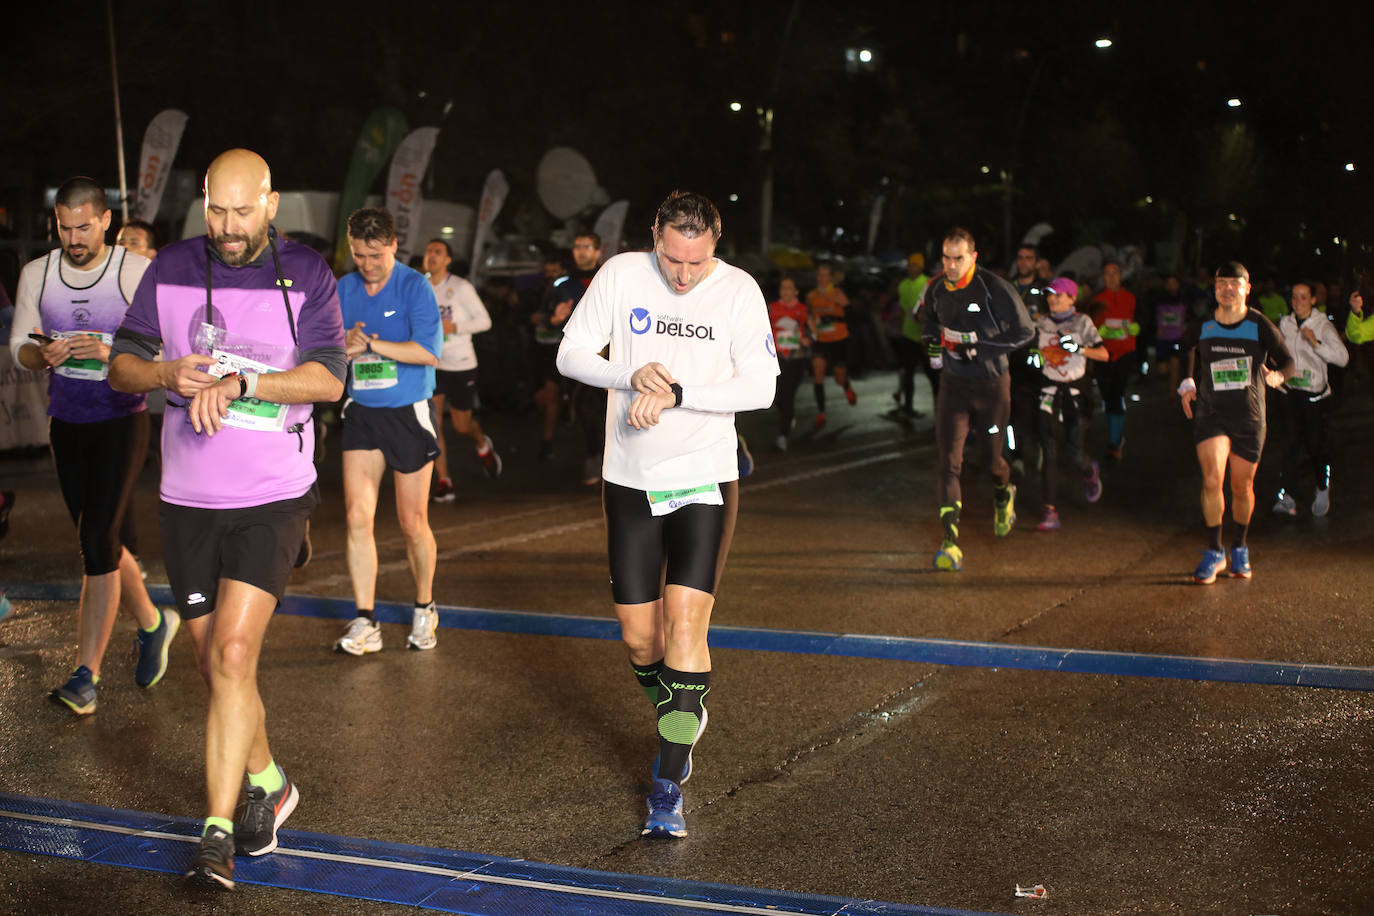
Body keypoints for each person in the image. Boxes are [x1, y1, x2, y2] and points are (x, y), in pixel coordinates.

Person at [110, 149, 347, 888]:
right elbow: (122, 361)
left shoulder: (306, 273)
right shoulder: (173, 266)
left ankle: (215, 831)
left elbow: (329, 377)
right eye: (217, 210)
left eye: (244, 212)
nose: (230, 227)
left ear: (271, 204)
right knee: (216, 664)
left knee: (235, 657)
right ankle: (272, 782)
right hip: (187, 498)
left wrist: (247, 379)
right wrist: (162, 373)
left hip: (274, 494)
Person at [556, 191, 777, 839]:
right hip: (630, 479)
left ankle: (667, 783)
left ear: (715, 245)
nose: (683, 274)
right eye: (672, 258)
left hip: (705, 478)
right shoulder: (622, 273)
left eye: (697, 261)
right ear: (654, 235)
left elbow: (760, 386)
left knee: (687, 624)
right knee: (639, 639)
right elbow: (570, 356)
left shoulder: (738, 290)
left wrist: (678, 392)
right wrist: (632, 374)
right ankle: (682, 704)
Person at [11, 176, 177, 715]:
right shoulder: (37, 273)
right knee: (96, 536)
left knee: (97, 541)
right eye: (64, 226)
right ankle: (153, 623)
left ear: (107, 221)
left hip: (121, 420)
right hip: (67, 422)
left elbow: (166, 344)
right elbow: (19, 344)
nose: (73, 236)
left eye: (84, 226)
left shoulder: (134, 270)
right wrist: (44, 356)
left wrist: (109, 350)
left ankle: (86, 675)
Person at [332, 208, 443, 656]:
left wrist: (372, 344)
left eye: (376, 255)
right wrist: (345, 344)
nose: (367, 264)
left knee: (412, 523)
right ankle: (365, 621)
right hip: (362, 411)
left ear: (394, 245)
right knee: (358, 517)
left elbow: (428, 352)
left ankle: (424, 606)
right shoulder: (343, 288)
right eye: (359, 255)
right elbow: (325, 350)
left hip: (407, 412)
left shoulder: (415, 286)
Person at [917, 227, 1034, 571]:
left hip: (992, 386)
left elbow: (1026, 331)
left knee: (990, 461)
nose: (951, 266)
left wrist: (979, 348)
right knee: (948, 463)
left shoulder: (993, 288)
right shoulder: (937, 287)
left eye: (959, 258)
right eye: (946, 258)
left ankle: (1004, 490)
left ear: (973, 257)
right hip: (953, 385)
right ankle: (949, 543)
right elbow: (928, 321)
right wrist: (931, 342)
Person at [1178, 261, 1293, 583]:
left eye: (1235, 283)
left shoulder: (1258, 324)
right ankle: (1215, 551)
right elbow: (1184, 347)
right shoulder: (1203, 324)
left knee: (1241, 487)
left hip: (1249, 416)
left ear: (1247, 288)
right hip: (1212, 413)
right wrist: (1186, 384)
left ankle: (1239, 547)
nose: (1228, 289)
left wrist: (1279, 376)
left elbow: (1287, 361)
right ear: (1214, 288)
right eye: (1221, 283)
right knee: (1212, 481)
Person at [423, 238, 501, 504]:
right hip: (432, 364)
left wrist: (453, 327)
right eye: (429, 251)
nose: (431, 256)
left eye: (438, 252)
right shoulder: (420, 287)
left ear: (447, 260)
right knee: (433, 425)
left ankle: (482, 443)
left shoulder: (460, 287)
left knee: (461, 424)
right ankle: (444, 481)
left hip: (461, 364)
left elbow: (485, 322)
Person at [1029, 277, 1107, 531]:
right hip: (1049, 392)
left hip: (1076, 394)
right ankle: (1050, 512)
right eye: (1050, 295)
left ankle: (1088, 471)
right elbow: (1032, 350)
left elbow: (1104, 354)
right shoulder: (1041, 323)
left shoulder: (1082, 322)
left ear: (1072, 298)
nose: (1053, 299)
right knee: (1049, 450)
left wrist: (1079, 349)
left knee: (1074, 452)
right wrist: (1033, 356)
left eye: (1059, 295)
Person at [1272, 281, 1348, 517]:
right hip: (1289, 394)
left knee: (1316, 446)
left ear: (1314, 300)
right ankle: (1288, 497)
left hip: (1315, 397)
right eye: (1294, 297)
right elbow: (1277, 352)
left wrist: (1315, 342)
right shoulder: (1285, 323)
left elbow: (1342, 358)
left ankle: (1322, 487)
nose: (1298, 302)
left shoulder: (1322, 325)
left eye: (1304, 297)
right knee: (1290, 446)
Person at [1089, 260, 1139, 462]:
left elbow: (1141, 319)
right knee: (1107, 396)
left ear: (1121, 275)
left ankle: (1114, 442)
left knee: (1116, 395)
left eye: (1115, 273)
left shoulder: (1131, 298)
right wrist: (1100, 332)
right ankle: (1115, 436)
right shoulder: (1098, 299)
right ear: (1103, 277)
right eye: (1107, 273)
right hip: (1103, 355)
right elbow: (1090, 326)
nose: (1111, 277)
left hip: (1125, 354)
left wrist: (1137, 327)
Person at [807, 262, 855, 427]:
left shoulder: (838, 292)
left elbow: (852, 314)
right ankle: (821, 413)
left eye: (826, 275)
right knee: (818, 373)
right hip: (820, 340)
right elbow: (809, 316)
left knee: (839, 377)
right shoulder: (811, 296)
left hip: (838, 339)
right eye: (820, 275)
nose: (822, 278)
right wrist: (811, 328)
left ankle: (846, 386)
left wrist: (846, 305)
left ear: (831, 277)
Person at [768, 277, 814, 449]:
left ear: (796, 291)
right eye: (783, 288)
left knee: (787, 397)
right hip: (775, 359)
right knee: (775, 398)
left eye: (789, 288)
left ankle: (783, 435)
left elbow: (815, 333)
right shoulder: (771, 309)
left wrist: (808, 339)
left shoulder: (803, 310)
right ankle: (788, 417)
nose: (786, 291)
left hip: (796, 360)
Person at [893, 253, 933, 417]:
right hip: (908, 336)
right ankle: (908, 407)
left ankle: (940, 410)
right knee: (908, 373)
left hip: (925, 338)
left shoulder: (928, 284)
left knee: (933, 375)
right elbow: (903, 310)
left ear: (921, 267)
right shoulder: (903, 285)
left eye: (915, 265)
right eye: (910, 264)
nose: (911, 267)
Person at [1153, 274, 1188, 395]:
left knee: (1175, 366)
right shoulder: (1158, 300)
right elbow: (1154, 318)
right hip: (1163, 339)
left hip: (1177, 338)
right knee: (1162, 370)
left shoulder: (1184, 299)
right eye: (1169, 283)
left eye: (1174, 282)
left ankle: (1172, 394)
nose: (1172, 285)